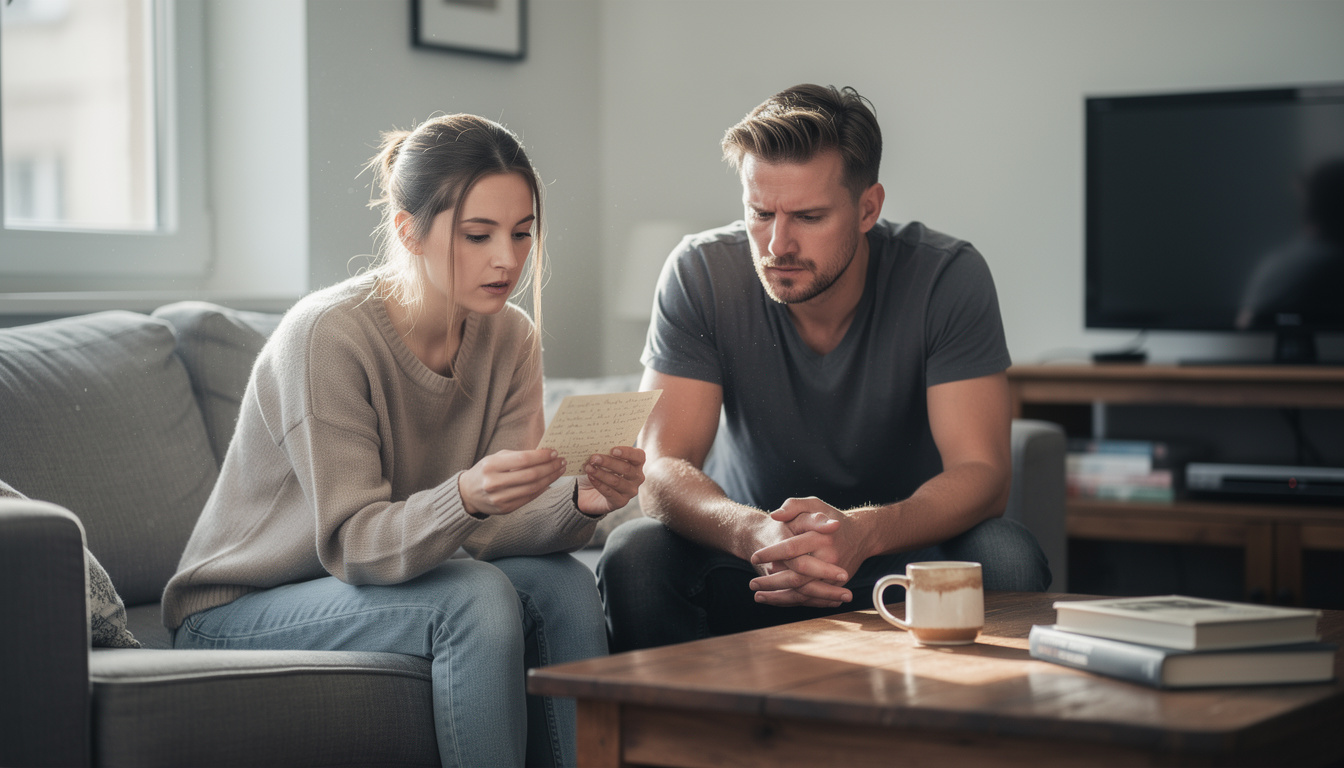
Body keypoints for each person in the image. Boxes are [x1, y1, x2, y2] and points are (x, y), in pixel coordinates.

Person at [162, 114, 645, 768]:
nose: (507, 258)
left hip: (392, 579)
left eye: (522, 233)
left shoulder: (510, 337)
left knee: (561, 587)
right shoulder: (326, 337)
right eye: (478, 235)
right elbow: (355, 542)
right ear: (407, 230)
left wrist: (581, 501)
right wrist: (466, 496)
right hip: (239, 609)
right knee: (475, 597)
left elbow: (492, 529)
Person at [598, 84, 1049, 653]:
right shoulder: (699, 272)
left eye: (808, 216)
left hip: (897, 556)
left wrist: (863, 533)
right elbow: (663, 468)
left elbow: (984, 474)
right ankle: (679, 742)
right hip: (756, 560)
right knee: (635, 555)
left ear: (868, 208)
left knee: (1006, 552)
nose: (777, 244)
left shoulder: (946, 277)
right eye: (760, 213)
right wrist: (752, 532)